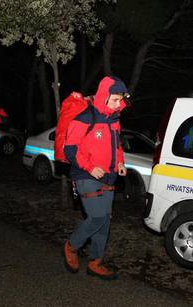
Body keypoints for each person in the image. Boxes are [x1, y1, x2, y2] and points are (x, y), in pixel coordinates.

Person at [62, 76, 129, 280]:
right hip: (85, 175)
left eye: (120, 100)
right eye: (115, 99)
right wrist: (90, 168)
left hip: (108, 176)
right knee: (97, 218)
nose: (119, 104)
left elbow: (117, 146)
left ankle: (95, 262)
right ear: (104, 96)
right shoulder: (84, 118)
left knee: (105, 220)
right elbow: (70, 150)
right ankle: (71, 246)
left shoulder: (114, 119)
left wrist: (120, 162)